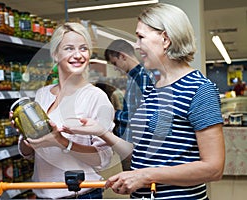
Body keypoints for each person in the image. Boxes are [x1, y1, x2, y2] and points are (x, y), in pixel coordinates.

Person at [63, 3, 225, 199]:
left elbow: (214, 168)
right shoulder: (152, 87)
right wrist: (102, 132)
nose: (137, 46)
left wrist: (146, 176)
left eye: (141, 37)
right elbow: (141, 152)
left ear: (165, 39)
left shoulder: (199, 89)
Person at [15, 22, 115, 199]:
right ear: (55, 54)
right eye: (69, 48)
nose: (78, 55)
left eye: (83, 49)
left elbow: (103, 159)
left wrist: (61, 142)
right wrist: (26, 135)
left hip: (80, 195)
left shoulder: (96, 97)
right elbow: (29, 153)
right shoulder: (42, 94)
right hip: (43, 194)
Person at [104, 39, 155, 171]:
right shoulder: (133, 78)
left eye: (115, 63)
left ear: (122, 56)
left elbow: (143, 117)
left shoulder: (142, 77)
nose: (115, 68)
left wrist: (116, 114)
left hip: (137, 149)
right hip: (129, 146)